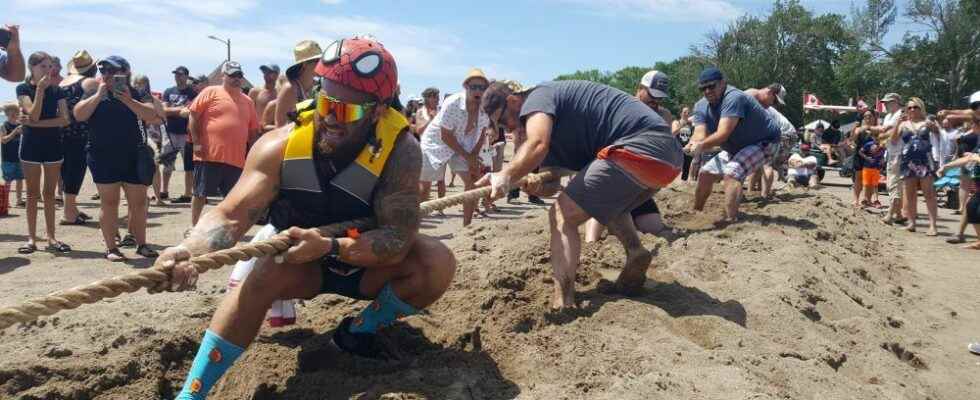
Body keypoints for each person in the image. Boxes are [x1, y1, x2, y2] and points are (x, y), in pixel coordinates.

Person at [159, 37, 456, 399]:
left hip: (361, 258)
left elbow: (396, 240)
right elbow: (230, 216)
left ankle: (356, 332)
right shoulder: (279, 146)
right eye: (324, 103)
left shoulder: (401, 152)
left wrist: (331, 245)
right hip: (296, 261)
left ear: (378, 111)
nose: (330, 117)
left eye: (346, 111)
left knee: (436, 261)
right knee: (262, 273)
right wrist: (189, 249)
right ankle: (192, 395)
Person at [478, 79, 683, 309]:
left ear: (514, 101)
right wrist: (535, 185)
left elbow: (537, 144)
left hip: (640, 146)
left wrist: (505, 174)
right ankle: (635, 251)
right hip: (669, 160)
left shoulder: (538, 97)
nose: (511, 128)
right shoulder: (553, 129)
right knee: (603, 203)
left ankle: (563, 301)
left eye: (505, 121)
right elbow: (553, 183)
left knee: (561, 216)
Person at [73, 56, 161, 260]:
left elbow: (151, 115)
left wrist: (128, 100)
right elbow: (78, 115)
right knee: (109, 203)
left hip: (134, 155)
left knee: (138, 203)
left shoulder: (137, 92)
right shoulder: (93, 90)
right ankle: (111, 248)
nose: (108, 76)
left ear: (126, 72)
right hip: (102, 156)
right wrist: (98, 96)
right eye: (104, 72)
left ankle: (142, 244)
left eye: (113, 72)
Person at [585, 70, 673, 242]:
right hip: (611, 180)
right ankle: (591, 244)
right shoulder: (619, 109)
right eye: (652, 95)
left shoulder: (664, 116)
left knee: (657, 229)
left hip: (638, 186)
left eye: (660, 98)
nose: (655, 101)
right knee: (599, 223)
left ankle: (623, 220)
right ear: (640, 88)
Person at [687, 67, 781, 222]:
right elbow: (699, 133)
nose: (707, 91)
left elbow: (723, 134)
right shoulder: (700, 106)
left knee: (732, 173)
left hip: (765, 142)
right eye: (703, 88)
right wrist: (694, 143)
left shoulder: (733, 97)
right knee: (704, 174)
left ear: (723, 83)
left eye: (712, 86)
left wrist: (701, 145)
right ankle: (697, 212)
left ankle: (731, 221)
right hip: (737, 146)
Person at [187, 61, 260, 228]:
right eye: (232, 75)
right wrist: (197, 143)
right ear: (223, 76)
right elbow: (193, 116)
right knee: (200, 193)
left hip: (236, 159)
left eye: (239, 75)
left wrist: (253, 156)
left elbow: (253, 131)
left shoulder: (248, 101)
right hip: (209, 154)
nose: (236, 79)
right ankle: (194, 227)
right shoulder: (210, 91)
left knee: (232, 198)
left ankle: (226, 228)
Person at [419, 68, 491, 227]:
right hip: (436, 144)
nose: (478, 90)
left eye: (482, 87)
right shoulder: (453, 103)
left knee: (472, 180)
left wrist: (473, 157)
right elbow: (445, 136)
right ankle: (414, 225)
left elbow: (481, 134)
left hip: (463, 145)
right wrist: (468, 156)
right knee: (425, 187)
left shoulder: (485, 108)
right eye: (474, 86)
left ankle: (467, 226)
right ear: (466, 87)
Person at [16, 51, 71, 254]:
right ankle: (31, 238)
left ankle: (51, 237)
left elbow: (65, 119)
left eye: (50, 67)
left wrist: (35, 123)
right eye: (44, 67)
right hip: (30, 145)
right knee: (32, 194)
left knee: (49, 193)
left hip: (53, 145)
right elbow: (34, 112)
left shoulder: (58, 91)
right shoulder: (22, 88)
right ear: (32, 68)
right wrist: (39, 91)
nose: (48, 71)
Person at [891, 97, 939, 236]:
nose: (912, 109)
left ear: (921, 108)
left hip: (925, 160)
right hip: (908, 161)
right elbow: (893, 140)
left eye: (915, 107)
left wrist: (934, 127)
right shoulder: (903, 124)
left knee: (929, 193)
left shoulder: (927, 122)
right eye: (910, 107)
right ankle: (911, 222)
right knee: (910, 193)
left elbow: (939, 135)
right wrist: (897, 123)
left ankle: (933, 225)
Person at [58, 50, 97, 224]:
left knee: (66, 171)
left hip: (60, 132)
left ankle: (71, 208)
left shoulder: (63, 82)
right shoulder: (89, 82)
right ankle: (68, 213)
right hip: (81, 132)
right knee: (76, 170)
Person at [745, 83, 792, 199]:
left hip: (783, 134)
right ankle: (755, 191)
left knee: (766, 163)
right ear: (770, 93)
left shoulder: (761, 105)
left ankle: (763, 194)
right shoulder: (752, 97)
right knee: (760, 163)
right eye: (774, 101)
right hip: (779, 133)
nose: (773, 104)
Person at [162, 66, 197, 204]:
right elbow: (164, 110)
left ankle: (188, 193)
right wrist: (180, 109)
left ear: (186, 76)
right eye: (176, 74)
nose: (177, 76)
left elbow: (190, 110)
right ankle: (164, 191)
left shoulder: (192, 93)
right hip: (170, 131)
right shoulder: (168, 91)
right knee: (166, 163)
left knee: (188, 166)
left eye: (180, 74)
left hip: (186, 133)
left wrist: (173, 110)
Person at [874, 92, 907, 225]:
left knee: (893, 185)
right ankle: (898, 214)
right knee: (893, 184)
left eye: (888, 102)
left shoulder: (902, 115)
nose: (885, 105)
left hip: (900, 153)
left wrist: (884, 133)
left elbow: (893, 136)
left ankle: (890, 214)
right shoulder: (888, 116)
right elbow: (883, 134)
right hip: (890, 152)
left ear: (895, 102)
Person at [275, 40, 321, 128]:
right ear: (304, 64)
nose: (322, 64)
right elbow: (280, 126)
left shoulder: (318, 86)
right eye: (317, 61)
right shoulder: (290, 89)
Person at [850, 110, 880, 207]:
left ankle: (867, 199)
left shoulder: (877, 129)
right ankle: (856, 199)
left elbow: (881, 141)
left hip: (872, 156)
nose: (867, 118)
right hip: (859, 155)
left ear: (874, 117)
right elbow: (852, 139)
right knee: (858, 178)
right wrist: (855, 127)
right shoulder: (859, 129)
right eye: (865, 116)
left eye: (870, 116)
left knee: (870, 180)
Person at [1, 102, 24, 206]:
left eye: (16, 112)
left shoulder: (21, 125)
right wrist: (15, 132)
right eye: (12, 113)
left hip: (20, 158)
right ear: (6, 114)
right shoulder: (3, 125)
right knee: (8, 181)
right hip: (8, 158)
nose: (15, 114)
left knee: (20, 179)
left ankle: (19, 200)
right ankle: (6, 201)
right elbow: (3, 140)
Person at [249, 64, 279, 133]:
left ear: (277, 75)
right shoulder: (255, 92)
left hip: (276, 133)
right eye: (265, 72)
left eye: (270, 72)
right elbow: (247, 114)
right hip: (258, 134)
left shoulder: (281, 93)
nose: (266, 75)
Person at [858, 139, 885, 207]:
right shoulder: (869, 144)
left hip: (876, 168)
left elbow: (882, 156)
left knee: (875, 185)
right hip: (867, 167)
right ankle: (865, 200)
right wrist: (867, 158)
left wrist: (882, 163)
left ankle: (876, 200)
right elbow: (860, 152)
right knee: (866, 185)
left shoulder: (882, 146)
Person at [672, 107, 694, 181]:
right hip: (677, 148)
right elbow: (673, 133)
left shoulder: (691, 125)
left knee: (686, 167)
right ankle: (671, 182)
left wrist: (690, 146)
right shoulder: (676, 122)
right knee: (675, 166)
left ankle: (683, 183)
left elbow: (693, 136)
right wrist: (682, 125)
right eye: (685, 112)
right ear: (681, 113)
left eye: (688, 112)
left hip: (687, 148)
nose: (686, 114)